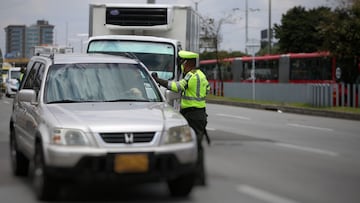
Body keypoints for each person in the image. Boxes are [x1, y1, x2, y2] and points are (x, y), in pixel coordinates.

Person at [151, 50, 210, 186]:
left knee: (189, 145)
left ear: (187, 63)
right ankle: (199, 177)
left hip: (191, 115)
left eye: (183, 63)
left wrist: (159, 80)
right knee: (198, 146)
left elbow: (177, 87)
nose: (182, 66)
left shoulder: (190, 76)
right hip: (201, 114)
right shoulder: (202, 75)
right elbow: (207, 89)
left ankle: (193, 176)